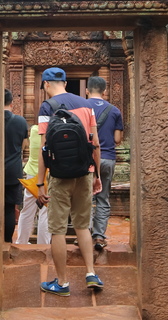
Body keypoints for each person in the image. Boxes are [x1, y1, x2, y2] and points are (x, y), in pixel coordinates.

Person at [36, 67, 104, 296]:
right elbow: (95, 144)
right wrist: (97, 175)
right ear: (65, 82)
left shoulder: (47, 106)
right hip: (85, 172)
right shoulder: (87, 104)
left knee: (57, 230)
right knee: (83, 225)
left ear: (46, 84)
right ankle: (91, 273)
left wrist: (40, 183)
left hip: (59, 176)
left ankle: (62, 283)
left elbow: (44, 149)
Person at [85, 76, 124, 251]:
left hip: (86, 160)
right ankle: (99, 236)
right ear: (105, 91)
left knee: (84, 198)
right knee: (102, 197)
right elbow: (117, 138)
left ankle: (84, 234)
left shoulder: (81, 108)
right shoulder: (114, 111)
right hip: (107, 157)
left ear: (87, 90)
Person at [15, 123, 51, 245]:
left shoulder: (35, 130)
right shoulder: (53, 130)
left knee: (27, 210)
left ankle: (21, 241)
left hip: (32, 174)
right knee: (45, 212)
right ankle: (43, 244)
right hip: (47, 174)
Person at [3, 89, 29, 243]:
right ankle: (7, 242)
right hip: (13, 170)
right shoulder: (20, 121)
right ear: (12, 103)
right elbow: (24, 145)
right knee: (9, 208)